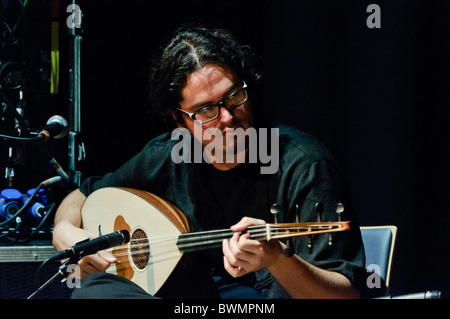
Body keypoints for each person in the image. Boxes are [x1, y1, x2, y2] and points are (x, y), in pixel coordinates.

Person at [52, 26, 368, 299]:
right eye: (206, 110)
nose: (228, 117)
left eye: (234, 96)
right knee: (93, 289)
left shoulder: (305, 165)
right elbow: (83, 194)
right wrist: (64, 229)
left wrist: (278, 259)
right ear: (179, 120)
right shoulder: (169, 154)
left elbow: (346, 293)